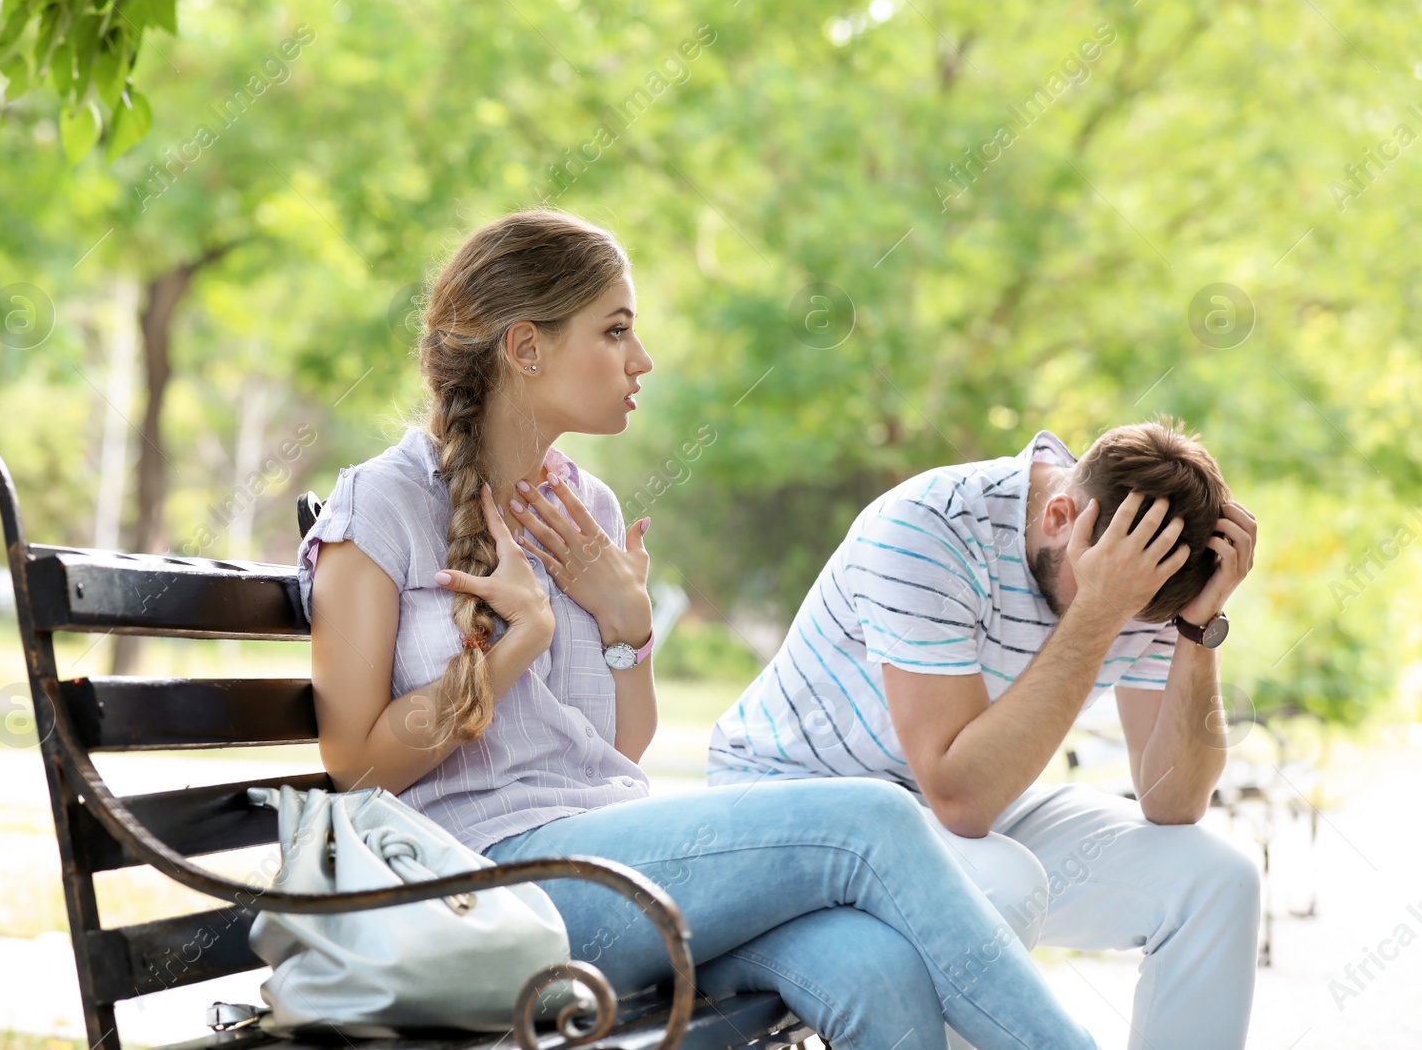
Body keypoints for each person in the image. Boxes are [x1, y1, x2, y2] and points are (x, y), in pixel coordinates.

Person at [300, 209, 1099, 1049]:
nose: (640, 360)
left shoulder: (587, 509)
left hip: (617, 863)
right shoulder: (384, 503)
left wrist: (627, 626)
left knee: (875, 968)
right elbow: (357, 767)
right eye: (615, 332)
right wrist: (520, 638)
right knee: (873, 820)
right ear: (526, 348)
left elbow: (622, 746)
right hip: (493, 886)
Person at [709, 422, 1262, 1049]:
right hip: (798, 809)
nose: (1125, 622)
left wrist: (1197, 628)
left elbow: (1174, 801)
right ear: (1060, 516)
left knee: (1218, 881)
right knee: (1003, 882)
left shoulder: (1143, 568)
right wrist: (1101, 608)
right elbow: (961, 797)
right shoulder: (930, 525)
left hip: (958, 806)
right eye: (1116, 599)